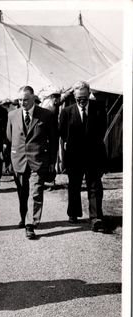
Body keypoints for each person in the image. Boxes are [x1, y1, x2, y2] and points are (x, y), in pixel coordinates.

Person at [6, 86, 58, 240]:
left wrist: (52, 161)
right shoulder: (12, 115)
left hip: (38, 160)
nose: (22, 103)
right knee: (23, 193)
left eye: (26, 100)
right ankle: (24, 217)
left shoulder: (46, 115)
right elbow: (9, 140)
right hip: (19, 160)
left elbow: (54, 140)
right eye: (20, 100)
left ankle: (31, 224)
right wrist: (10, 161)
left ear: (34, 98)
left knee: (35, 192)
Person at [58, 81, 108, 232]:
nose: (82, 100)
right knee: (74, 186)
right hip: (74, 156)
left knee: (94, 186)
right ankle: (73, 213)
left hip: (94, 155)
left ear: (89, 95)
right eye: (79, 97)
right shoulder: (66, 112)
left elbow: (102, 130)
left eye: (84, 97)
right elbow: (62, 133)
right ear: (74, 96)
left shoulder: (99, 109)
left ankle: (95, 217)